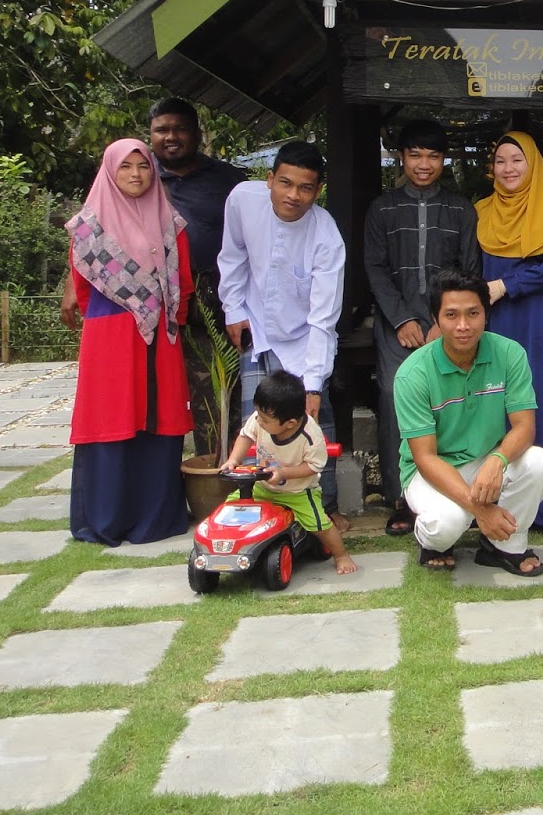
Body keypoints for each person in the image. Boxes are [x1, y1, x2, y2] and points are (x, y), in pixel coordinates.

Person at [62, 99, 243, 453]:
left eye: (180, 129)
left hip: (213, 298)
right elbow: (95, 237)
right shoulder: (131, 175)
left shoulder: (227, 180)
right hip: (147, 308)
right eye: (162, 130)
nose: (171, 137)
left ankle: (218, 470)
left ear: (197, 134)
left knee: (218, 390)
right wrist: (73, 283)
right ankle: (166, 470)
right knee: (148, 392)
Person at [64, 138, 194, 545]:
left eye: (143, 166)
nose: (136, 174)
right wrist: (122, 318)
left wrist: (169, 322)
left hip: (162, 338)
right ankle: (107, 519)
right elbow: (83, 289)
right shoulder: (88, 226)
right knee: (112, 416)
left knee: (159, 417)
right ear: (109, 171)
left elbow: (183, 282)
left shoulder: (169, 221)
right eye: (126, 166)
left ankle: (153, 519)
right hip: (110, 335)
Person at [394, 268, 543, 575]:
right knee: (447, 523)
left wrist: (497, 460)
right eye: (451, 315)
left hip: (485, 458)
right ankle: (432, 541)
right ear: (435, 318)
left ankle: (505, 547)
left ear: (486, 314)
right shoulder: (413, 374)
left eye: (473, 313)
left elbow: (525, 427)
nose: (463, 326)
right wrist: (480, 510)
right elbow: (425, 457)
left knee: (539, 462)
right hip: (430, 469)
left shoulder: (509, 353)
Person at [363, 119, 482, 538]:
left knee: (450, 406)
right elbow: (375, 268)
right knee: (394, 401)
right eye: (415, 155)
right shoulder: (382, 209)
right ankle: (401, 499)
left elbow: (469, 271)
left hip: (447, 325)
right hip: (395, 326)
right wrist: (402, 319)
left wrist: (440, 323)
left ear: (444, 160)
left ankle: (451, 491)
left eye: (433, 156)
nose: (424, 164)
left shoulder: (461, 209)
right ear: (402, 157)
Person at [217, 140, 347, 514]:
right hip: (257, 329)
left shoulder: (326, 237)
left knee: (312, 425)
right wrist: (233, 310)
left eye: (305, 188)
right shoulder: (243, 200)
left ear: (317, 191)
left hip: (305, 339)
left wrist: (313, 384)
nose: (293, 195)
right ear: (270, 179)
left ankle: (324, 508)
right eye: (285, 183)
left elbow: (323, 317)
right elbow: (232, 256)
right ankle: (259, 505)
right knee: (257, 421)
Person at [476, 131, 543, 531]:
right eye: (501, 161)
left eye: (517, 160)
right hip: (498, 322)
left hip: (542, 320)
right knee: (497, 403)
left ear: (533, 164)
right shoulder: (482, 212)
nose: (509, 168)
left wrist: (506, 285)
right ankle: (495, 506)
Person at [219, 369, 355, 574]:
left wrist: (284, 473)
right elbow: (246, 436)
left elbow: (313, 466)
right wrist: (233, 460)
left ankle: (341, 555)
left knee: (319, 523)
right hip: (262, 487)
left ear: (290, 423)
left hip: (298, 492)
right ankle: (233, 549)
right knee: (229, 509)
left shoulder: (311, 436)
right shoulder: (260, 418)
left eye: (265, 420)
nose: (259, 422)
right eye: (259, 416)